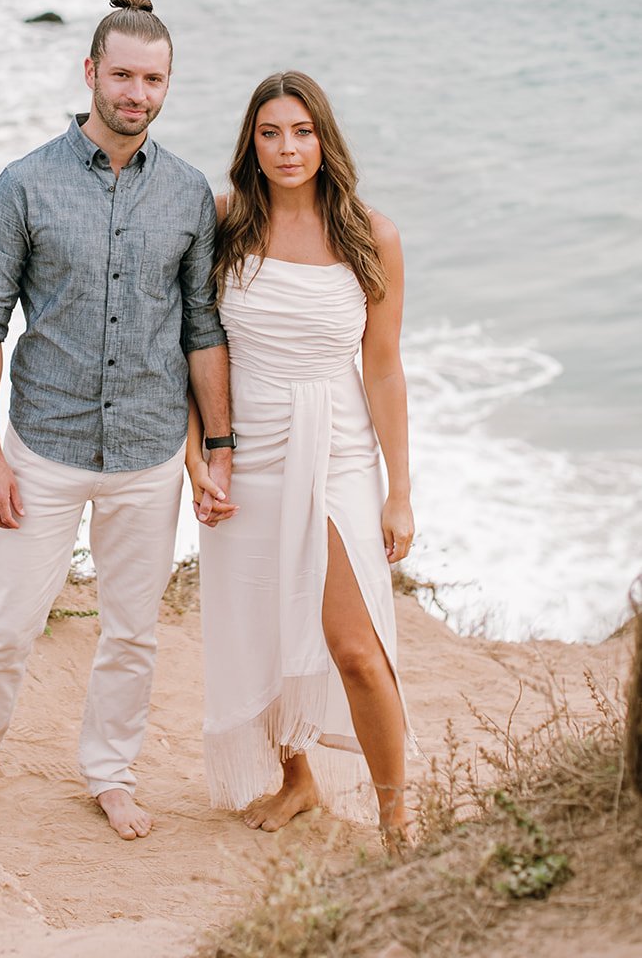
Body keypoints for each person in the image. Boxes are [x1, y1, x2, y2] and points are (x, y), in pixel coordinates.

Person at [0, 0, 232, 839]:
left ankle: (110, 775)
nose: (136, 93)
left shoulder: (191, 195)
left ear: (167, 85)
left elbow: (202, 327)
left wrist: (215, 450)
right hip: (41, 449)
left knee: (132, 634)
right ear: (90, 71)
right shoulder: (23, 185)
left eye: (152, 79)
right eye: (121, 74)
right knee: (9, 620)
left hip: (148, 452)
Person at [187, 70, 418, 839]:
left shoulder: (368, 233)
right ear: (250, 144)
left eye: (301, 131)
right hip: (245, 449)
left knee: (355, 647)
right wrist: (199, 454)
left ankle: (396, 817)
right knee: (257, 626)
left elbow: (382, 368)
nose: (287, 148)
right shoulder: (223, 223)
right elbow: (190, 347)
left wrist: (399, 490)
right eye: (270, 133)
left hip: (339, 450)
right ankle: (298, 781)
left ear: (324, 138)